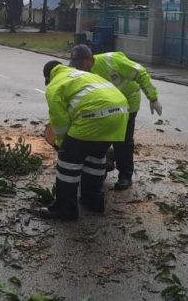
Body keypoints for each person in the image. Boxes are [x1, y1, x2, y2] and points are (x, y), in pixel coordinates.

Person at [36, 60, 129, 221]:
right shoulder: (82, 75)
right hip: (120, 114)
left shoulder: (55, 85)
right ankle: (93, 201)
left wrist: (62, 144)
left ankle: (66, 210)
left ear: (48, 77)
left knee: (67, 162)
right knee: (96, 157)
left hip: (94, 116)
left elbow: (59, 122)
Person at [69, 45, 162, 190]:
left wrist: (153, 98)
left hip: (128, 103)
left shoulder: (112, 61)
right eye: (76, 65)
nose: (79, 68)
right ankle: (105, 165)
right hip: (106, 106)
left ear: (90, 59)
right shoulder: (81, 72)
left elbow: (141, 72)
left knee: (123, 141)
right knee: (100, 138)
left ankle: (125, 175)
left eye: (81, 64)